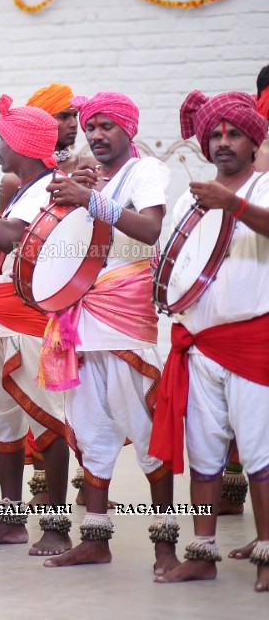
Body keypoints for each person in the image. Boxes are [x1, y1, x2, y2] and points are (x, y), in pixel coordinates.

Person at [41, 92, 177, 573]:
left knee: (146, 432)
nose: (96, 135)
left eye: (106, 126)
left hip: (124, 321)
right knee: (90, 430)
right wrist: (67, 194)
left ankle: (166, 546)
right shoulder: (86, 174)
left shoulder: (147, 172)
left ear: (128, 130)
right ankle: (95, 538)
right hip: (80, 322)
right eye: (89, 126)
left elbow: (151, 231)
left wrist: (91, 199)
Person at [150, 91, 269, 591]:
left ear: (252, 140)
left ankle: (267, 556)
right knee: (204, 453)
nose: (223, 143)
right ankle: (202, 553)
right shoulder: (188, 196)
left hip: (252, 342)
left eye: (233, 133)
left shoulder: (263, 187)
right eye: (215, 134)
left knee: (261, 454)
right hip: (196, 344)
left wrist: (235, 205)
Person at [0, 97, 74, 556]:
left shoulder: (49, 189)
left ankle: (58, 527)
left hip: (29, 319)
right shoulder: (25, 189)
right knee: (5, 422)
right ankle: (9, 520)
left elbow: (10, 239)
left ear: (21, 147)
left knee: (47, 418)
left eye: (3, 140)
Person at [0, 84, 93, 209]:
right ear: (41, 122)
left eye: (74, 116)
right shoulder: (13, 181)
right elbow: (5, 225)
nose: (73, 124)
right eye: (64, 117)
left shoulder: (90, 168)